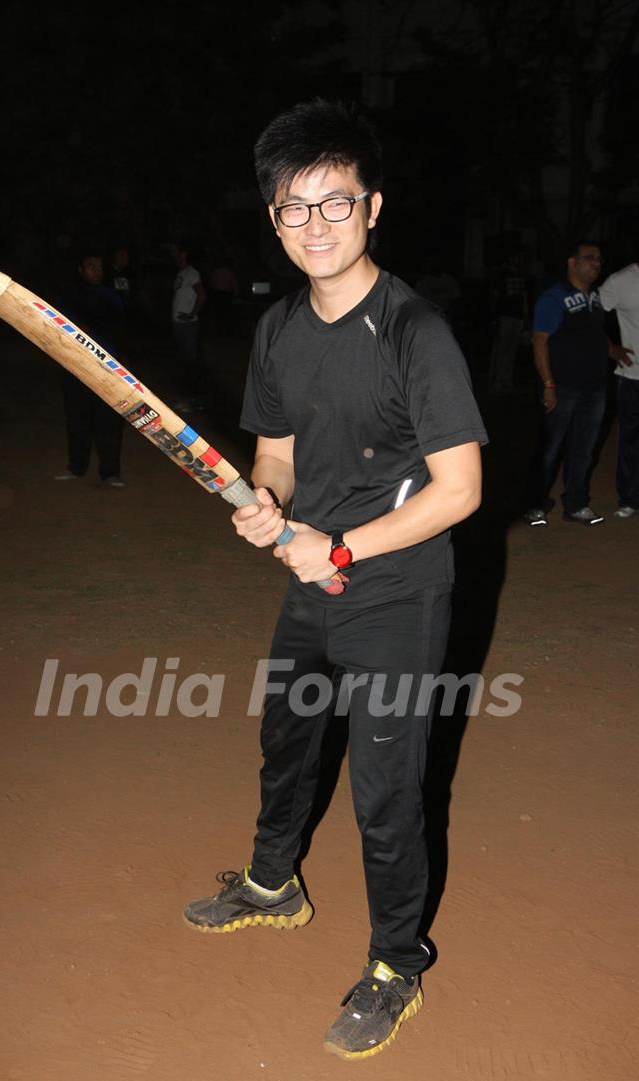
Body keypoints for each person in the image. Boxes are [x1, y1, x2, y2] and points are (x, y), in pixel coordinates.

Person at [183, 99, 487, 1061]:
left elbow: (462, 491)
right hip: (311, 575)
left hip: (396, 589)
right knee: (287, 737)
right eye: (293, 208)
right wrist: (263, 504)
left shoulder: (414, 331)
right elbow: (273, 453)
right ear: (273, 221)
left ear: (373, 208)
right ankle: (275, 882)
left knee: (387, 791)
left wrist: (343, 548)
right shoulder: (277, 329)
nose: (314, 225)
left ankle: (397, 961)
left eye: (334, 203)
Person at [523, 241, 630, 526]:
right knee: (549, 449)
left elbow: (593, 332)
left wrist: (612, 349)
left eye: (599, 259)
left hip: (593, 389)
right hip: (563, 387)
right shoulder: (554, 297)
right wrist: (548, 384)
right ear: (572, 263)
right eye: (589, 258)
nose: (597, 263)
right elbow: (539, 340)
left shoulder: (593, 297)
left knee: (583, 449)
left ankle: (576, 504)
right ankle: (535, 505)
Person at [54, 252, 126, 487]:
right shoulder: (68, 296)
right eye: (91, 266)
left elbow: (121, 324)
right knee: (77, 418)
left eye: (99, 267)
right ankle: (76, 467)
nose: (97, 271)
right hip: (75, 366)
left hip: (108, 368)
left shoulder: (112, 296)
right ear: (80, 270)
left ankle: (110, 472)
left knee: (109, 421)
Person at [598, 261, 639, 517]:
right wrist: (609, 346)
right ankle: (630, 498)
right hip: (633, 374)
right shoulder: (621, 280)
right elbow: (587, 315)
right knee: (630, 439)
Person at [486, 249, 528, 396]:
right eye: (517, 257)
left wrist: (525, 316)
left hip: (517, 317)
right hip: (505, 316)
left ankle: (507, 380)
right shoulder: (502, 274)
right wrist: (494, 316)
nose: (519, 260)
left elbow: (524, 297)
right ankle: (497, 381)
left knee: (512, 350)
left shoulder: (522, 275)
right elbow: (495, 296)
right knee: (502, 349)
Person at [171, 242, 206, 409]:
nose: (174, 256)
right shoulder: (181, 273)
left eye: (176, 252)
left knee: (191, 361)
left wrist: (191, 314)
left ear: (183, 254)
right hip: (179, 324)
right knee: (182, 361)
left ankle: (194, 399)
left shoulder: (192, 273)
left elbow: (202, 295)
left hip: (188, 325)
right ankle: (188, 398)